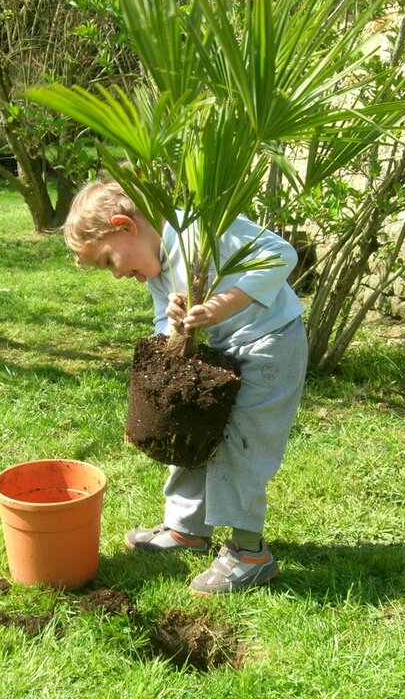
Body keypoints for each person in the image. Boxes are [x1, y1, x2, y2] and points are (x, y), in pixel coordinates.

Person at [63, 178, 308, 595]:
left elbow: (280, 254)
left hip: (272, 344)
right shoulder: (156, 268)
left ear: (125, 226)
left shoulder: (201, 230)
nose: (118, 275)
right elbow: (163, 319)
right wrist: (174, 323)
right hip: (228, 349)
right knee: (190, 426)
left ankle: (250, 554)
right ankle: (187, 529)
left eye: (108, 261)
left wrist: (220, 305)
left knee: (240, 445)